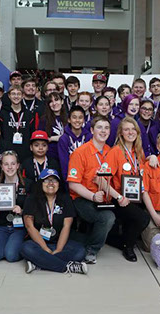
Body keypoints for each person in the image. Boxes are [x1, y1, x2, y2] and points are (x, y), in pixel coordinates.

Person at [67, 116, 116, 264]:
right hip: (82, 198)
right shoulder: (80, 152)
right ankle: (92, 249)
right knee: (107, 218)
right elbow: (73, 185)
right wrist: (94, 196)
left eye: (106, 128)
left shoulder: (110, 151)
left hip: (105, 198)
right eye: (99, 127)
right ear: (92, 130)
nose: (103, 131)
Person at [21, 169, 87, 274]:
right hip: (38, 244)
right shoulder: (31, 199)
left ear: (59, 184)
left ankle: (39, 263)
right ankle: (66, 267)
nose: (51, 183)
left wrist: (58, 249)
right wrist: (46, 249)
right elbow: (30, 226)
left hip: (59, 242)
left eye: (54, 180)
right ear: (40, 183)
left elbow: (66, 226)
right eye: (46, 180)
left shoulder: (65, 199)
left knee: (80, 251)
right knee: (26, 248)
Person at [105, 118, 151, 261]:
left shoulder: (139, 151)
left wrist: (153, 157)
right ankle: (128, 247)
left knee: (135, 219)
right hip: (119, 198)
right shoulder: (116, 151)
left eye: (133, 129)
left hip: (135, 196)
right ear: (120, 133)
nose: (130, 132)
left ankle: (120, 241)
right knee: (143, 218)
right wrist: (119, 197)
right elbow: (101, 179)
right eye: (126, 129)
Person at [0, 151, 27, 262]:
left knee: (11, 256)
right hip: (0, 226)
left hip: (19, 227)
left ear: (18, 165)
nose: (10, 167)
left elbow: (33, 210)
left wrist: (22, 210)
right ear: (2, 166)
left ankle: (14, 245)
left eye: (13, 164)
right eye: (6, 164)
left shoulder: (27, 185)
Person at [0, 85, 34, 161]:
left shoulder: (29, 114)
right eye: (13, 94)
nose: (16, 96)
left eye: (18, 94)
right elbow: (0, 134)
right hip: (8, 152)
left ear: (22, 96)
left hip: (26, 153)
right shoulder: (3, 114)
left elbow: (32, 133)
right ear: (9, 96)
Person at [58, 106, 92, 180]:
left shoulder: (89, 137)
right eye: (74, 117)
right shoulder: (64, 139)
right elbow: (64, 163)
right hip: (71, 177)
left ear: (83, 120)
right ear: (69, 120)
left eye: (80, 117)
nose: (77, 120)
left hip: (87, 177)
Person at [38, 92, 68, 161]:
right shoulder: (44, 120)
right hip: (51, 154)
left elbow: (72, 136)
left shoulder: (69, 118)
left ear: (62, 101)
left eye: (56, 100)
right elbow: (43, 138)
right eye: (51, 101)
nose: (54, 103)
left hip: (67, 152)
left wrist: (52, 138)